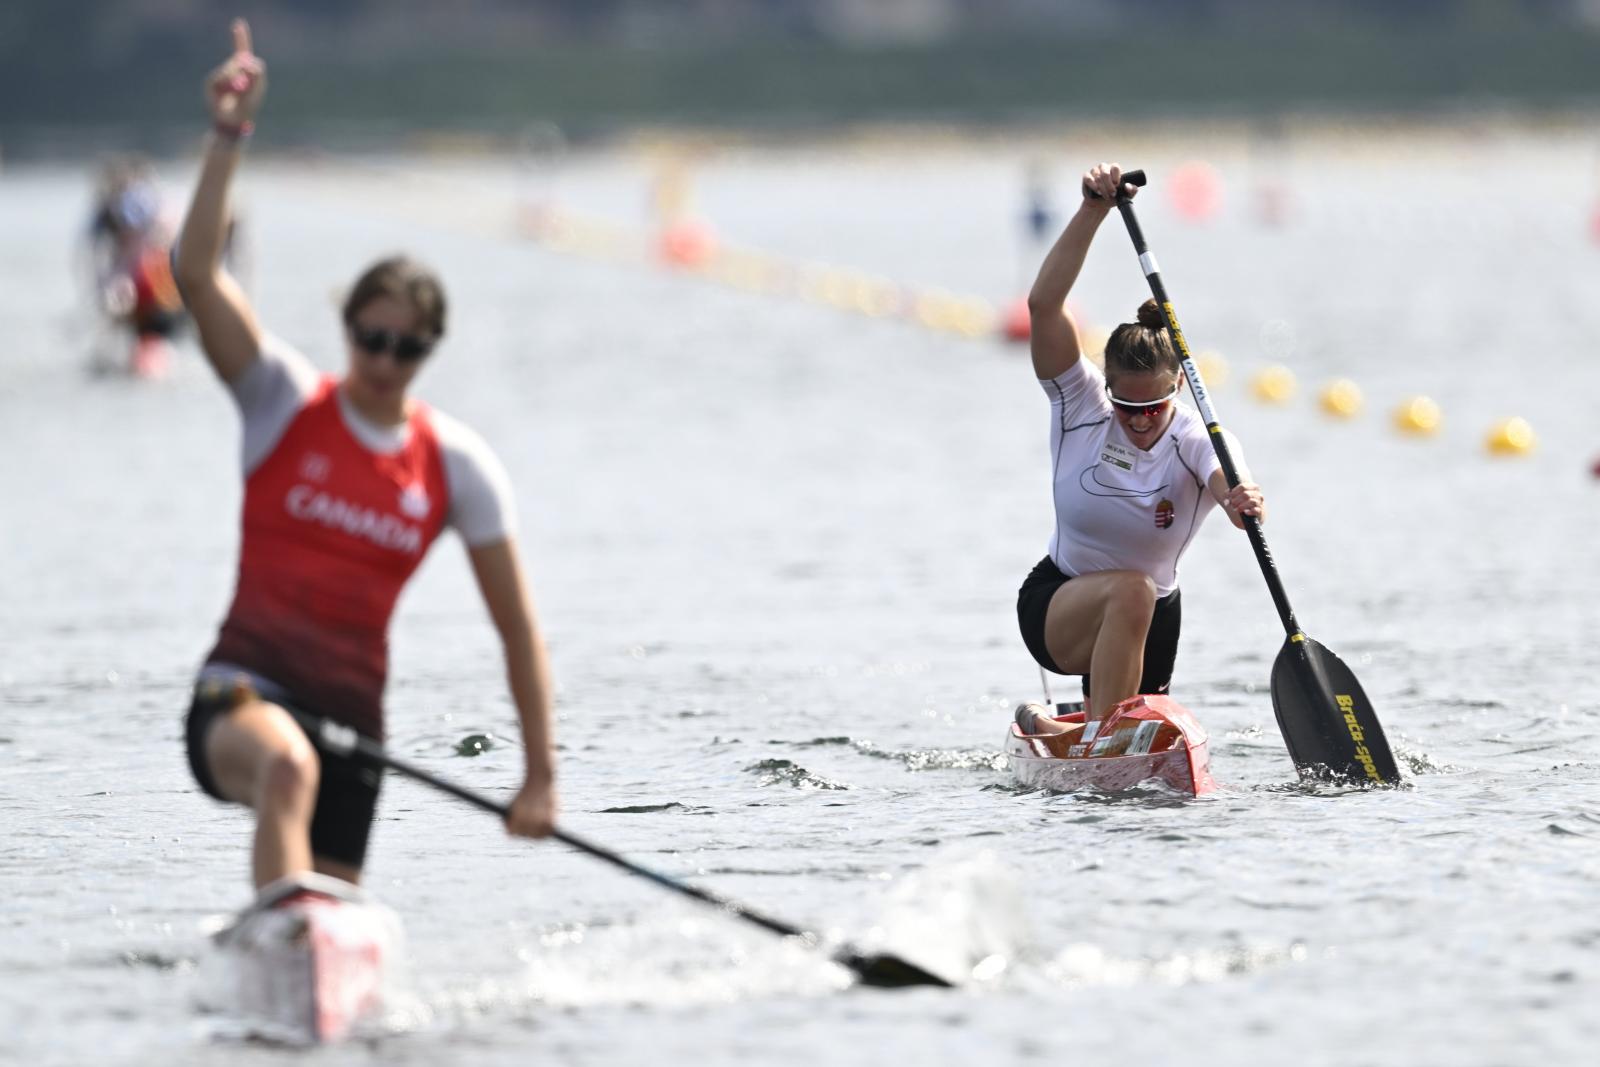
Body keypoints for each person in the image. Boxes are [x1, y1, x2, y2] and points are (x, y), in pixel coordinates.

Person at [173, 20, 557, 890]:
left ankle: (300, 947)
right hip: (240, 698)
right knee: (287, 771)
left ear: (429, 350)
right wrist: (229, 132)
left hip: (354, 722)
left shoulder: (456, 466)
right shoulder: (280, 398)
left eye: (405, 347)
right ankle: (286, 930)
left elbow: (517, 630)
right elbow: (195, 276)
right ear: (347, 328)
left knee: (332, 881)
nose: (383, 361)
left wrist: (539, 775)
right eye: (369, 337)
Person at [1014, 162, 1266, 736]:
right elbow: (1043, 308)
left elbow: (1229, 481)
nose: (1141, 421)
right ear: (1109, 391)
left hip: (1156, 621)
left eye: (1154, 407)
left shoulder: (1195, 438)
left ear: (1177, 386)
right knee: (1131, 588)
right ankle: (1104, 744)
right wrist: (1093, 210)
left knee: (1138, 606)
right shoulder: (1079, 407)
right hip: (1059, 605)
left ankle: (1068, 731)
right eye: (1128, 409)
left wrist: (1240, 500)